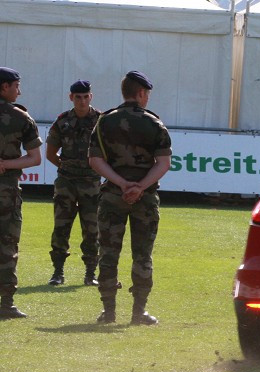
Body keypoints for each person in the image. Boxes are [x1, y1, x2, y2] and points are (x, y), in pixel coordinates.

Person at [88, 71, 171, 325]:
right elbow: (163, 163)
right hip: (144, 200)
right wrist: (140, 187)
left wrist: (123, 184)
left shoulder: (104, 121)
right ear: (142, 93)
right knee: (142, 254)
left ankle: (108, 311)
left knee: (108, 254)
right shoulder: (154, 123)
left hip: (113, 196)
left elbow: (95, 161)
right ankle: (139, 312)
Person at [46, 80, 101, 286]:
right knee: (61, 226)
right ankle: (58, 272)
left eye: (85, 96)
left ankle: (90, 274)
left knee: (92, 228)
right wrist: (67, 166)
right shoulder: (63, 121)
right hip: (66, 182)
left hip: (91, 182)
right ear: (71, 97)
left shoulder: (101, 120)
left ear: (91, 97)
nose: (82, 101)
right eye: (78, 97)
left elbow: (110, 152)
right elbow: (51, 154)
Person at [0, 67, 42, 320]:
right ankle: (6, 304)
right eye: (16, 85)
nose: (19, 90)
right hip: (7, 192)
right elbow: (34, 158)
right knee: (7, 245)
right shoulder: (21, 117)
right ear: (5, 87)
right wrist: (6, 164)